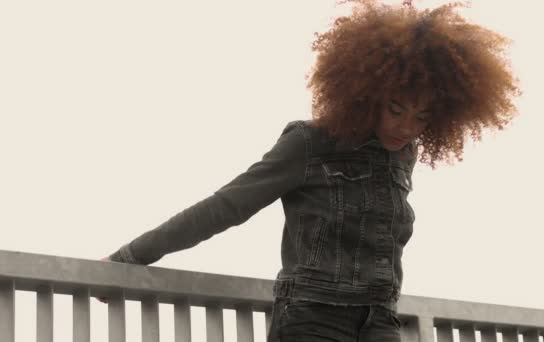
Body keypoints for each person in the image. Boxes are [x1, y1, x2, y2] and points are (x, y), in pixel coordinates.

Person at [102, 1, 520, 340]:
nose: (406, 127)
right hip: (314, 319)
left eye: (421, 117)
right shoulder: (310, 143)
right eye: (395, 109)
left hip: (380, 320)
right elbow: (226, 206)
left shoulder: (402, 155)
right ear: (365, 93)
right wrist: (132, 256)